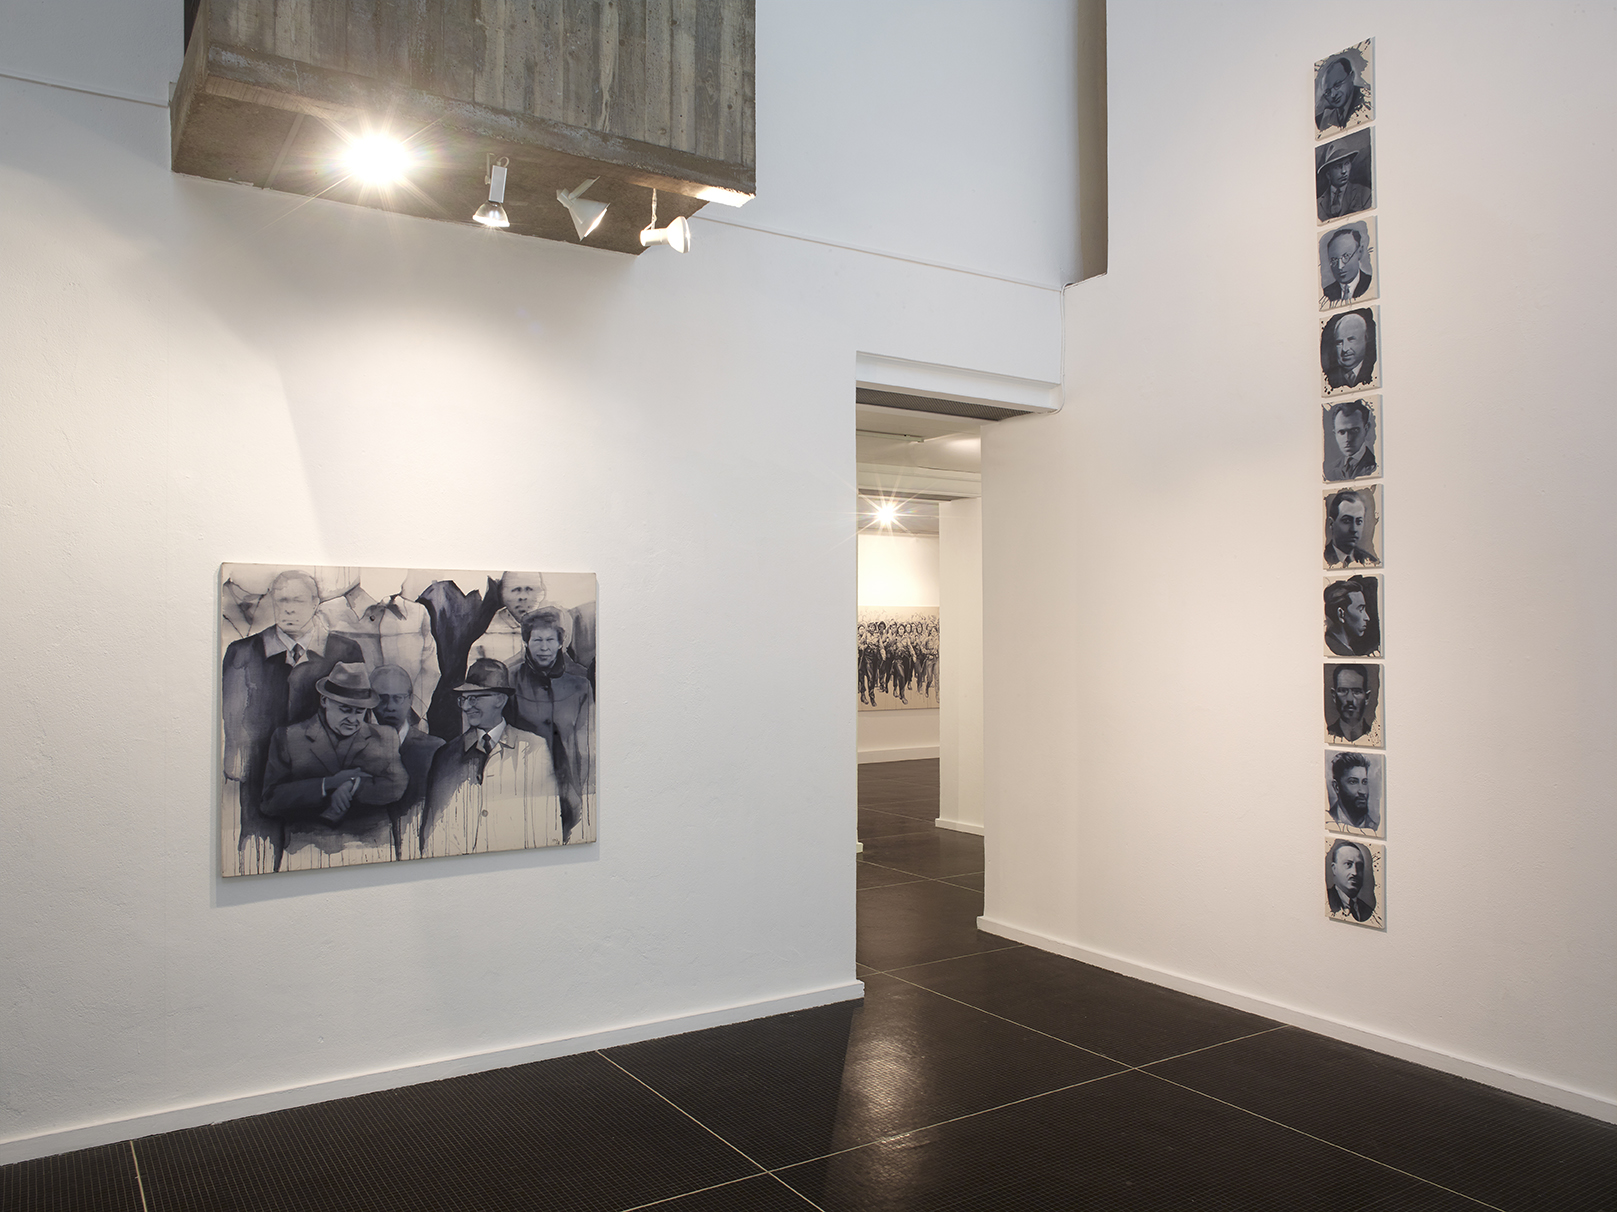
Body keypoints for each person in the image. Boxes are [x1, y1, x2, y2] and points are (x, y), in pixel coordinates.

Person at [222, 569, 366, 872]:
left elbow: (357, 718)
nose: (288, 609)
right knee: (258, 864)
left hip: (326, 777)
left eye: (298, 601)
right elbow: (234, 724)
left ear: (315, 603)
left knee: (320, 863)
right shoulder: (243, 653)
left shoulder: (344, 651)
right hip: (261, 780)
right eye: (282, 600)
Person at [259, 663, 409, 869]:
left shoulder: (384, 737)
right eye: (345, 710)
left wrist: (352, 785)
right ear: (324, 701)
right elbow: (270, 801)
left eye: (359, 712)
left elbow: (397, 786)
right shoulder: (289, 737)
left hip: (373, 847)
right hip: (307, 850)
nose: (353, 719)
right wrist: (327, 784)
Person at [421, 659, 565, 857]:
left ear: (500, 699)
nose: (466, 707)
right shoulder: (446, 755)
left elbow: (548, 823)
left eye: (474, 698)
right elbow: (432, 833)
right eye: (463, 699)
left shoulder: (532, 748)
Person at [508, 605, 595, 842]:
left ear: (560, 643)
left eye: (550, 640)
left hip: (570, 784)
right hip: (525, 781)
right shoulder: (510, 679)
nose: (544, 648)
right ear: (526, 642)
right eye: (537, 640)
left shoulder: (580, 683)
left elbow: (587, 742)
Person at [371, 664, 446, 861]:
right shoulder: (355, 747)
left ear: (411, 699)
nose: (390, 707)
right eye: (382, 699)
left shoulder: (435, 750)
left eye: (398, 698)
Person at [468, 572, 550, 667]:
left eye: (529, 589)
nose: (523, 597)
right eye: (516, 590)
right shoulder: (486, 630)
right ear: (502, 594)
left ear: (541, 593)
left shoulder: (552, 625)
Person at [1321, 310, 1377, 390]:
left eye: (1351, 339)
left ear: (1365, 339)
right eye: (1339, 342)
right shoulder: (1331, 379)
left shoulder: (1372, 371)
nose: (1345, 349)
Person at [1316, 144, 1372, 222]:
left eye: (1346, 163)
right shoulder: (1318, 204)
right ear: (1328, 174)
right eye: (1337, 167)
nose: (1344, 171)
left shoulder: (1365, 193)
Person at [1324, 399, 1377, 481]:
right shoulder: (1331, 470)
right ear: (1335, 433)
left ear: (1366, 429)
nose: (1347, 439)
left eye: (1354, 431)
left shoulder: (1375, 465)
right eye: (1342, 432)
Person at [1324, 576, 1377, 656]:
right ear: (1341, 614)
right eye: (1360, 609)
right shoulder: (1340, 650)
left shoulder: (1344, 649)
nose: (1367, 618)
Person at [1324, 489, 1378, 568]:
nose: (1354, 529)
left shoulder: (1370, 560)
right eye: (1346, 521)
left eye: (1359, 521)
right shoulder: (1323, 557)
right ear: (1331, 523)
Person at [1315, 55, 1369, 133]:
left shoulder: (1367, 103)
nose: (1333, 95)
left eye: (1337, 85)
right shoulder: (1325, 119)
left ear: (1352, 76)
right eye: (1328, 92)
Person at [1326, 838, 1375, 921]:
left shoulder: (1368, 911)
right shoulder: (1325, 900)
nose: (1355, 872)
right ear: (1334, 869)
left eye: (1359, 866)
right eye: (1348, 864)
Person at [1321, 227, 1372, 305]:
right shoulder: (1327, 294)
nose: (1340, 266)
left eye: (1346, 256)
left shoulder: (1370, 284)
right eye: (1334, 260)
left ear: (1360, 252)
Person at [1328, 752, 1378, 831]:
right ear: (1336, 787)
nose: (1362, 791)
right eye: (1353, 782)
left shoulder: (1374, 828)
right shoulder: (1328, 820)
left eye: (1364, 782)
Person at [1327, 663, 1375, 744]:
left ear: (1367, 697)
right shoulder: (1327, 733)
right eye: (1343, 691)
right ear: (1334, 696)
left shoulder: (1374, 734)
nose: (1350, 699)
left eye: (1357, 692)